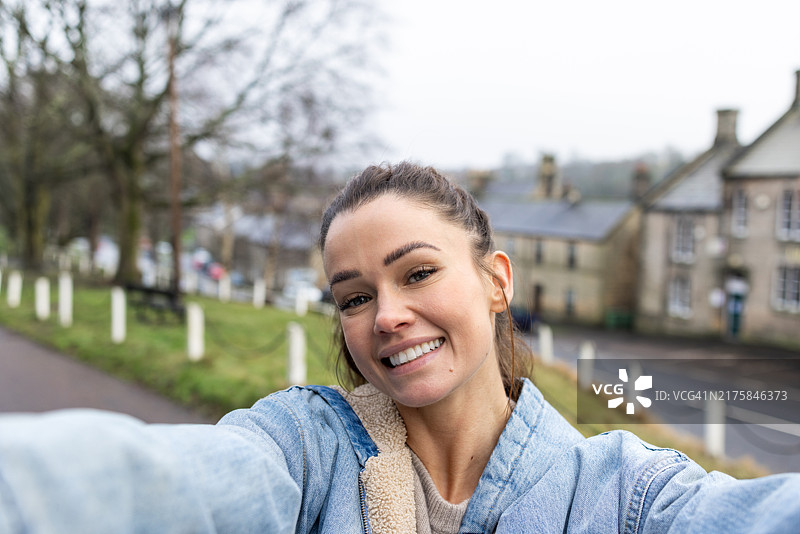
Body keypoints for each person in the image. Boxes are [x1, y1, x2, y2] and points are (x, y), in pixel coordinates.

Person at [0, 161, 798, 533]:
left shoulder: (625, 495)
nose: (387, 316)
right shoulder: (305, 450)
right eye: (354, 297)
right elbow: (166, 483)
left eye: (417, 272)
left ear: (497, 281)